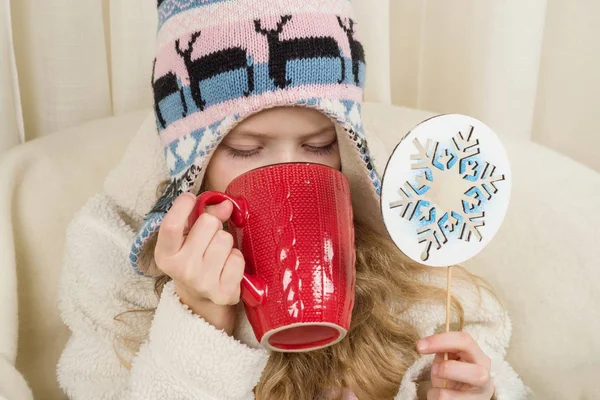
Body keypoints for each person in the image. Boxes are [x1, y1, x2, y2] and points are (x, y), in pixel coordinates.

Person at [56, 1, 529, 399]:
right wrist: (198, 318)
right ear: (191, 164)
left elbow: (482, 356)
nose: (290, 172)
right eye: (245, 149)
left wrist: (473, 391)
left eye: (320, 145)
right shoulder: (112, 270)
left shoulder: (397, 255)